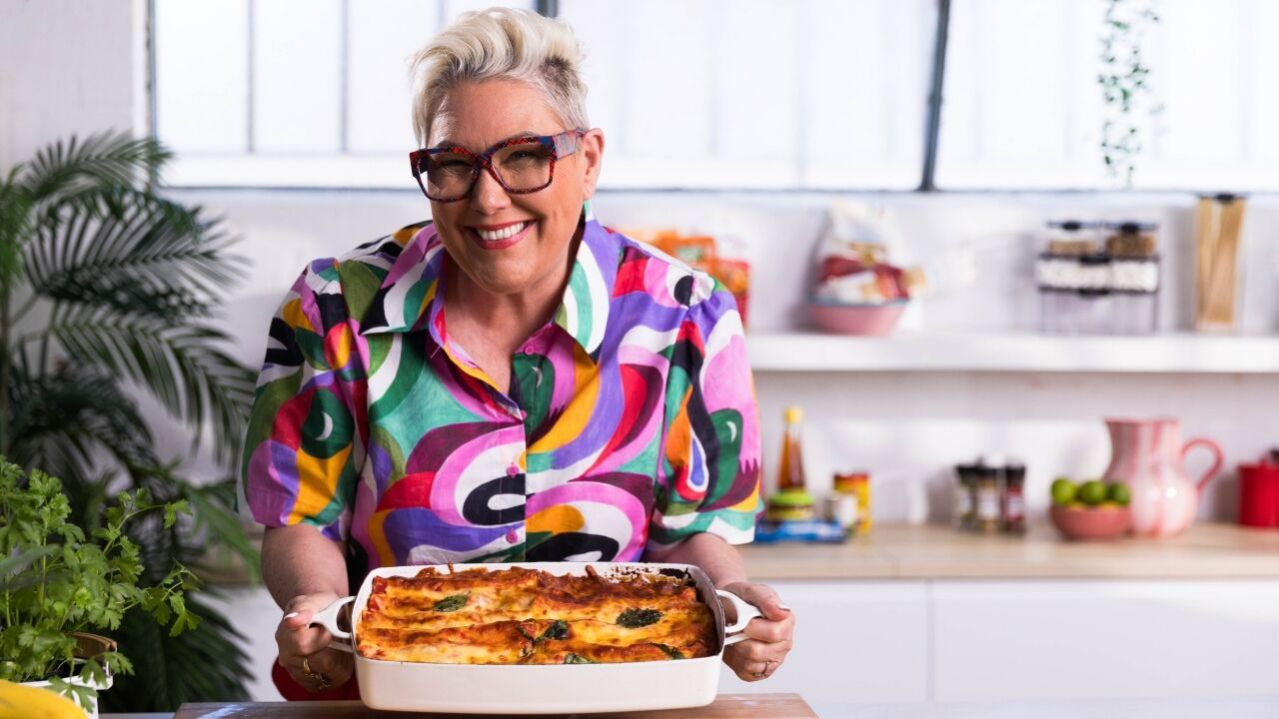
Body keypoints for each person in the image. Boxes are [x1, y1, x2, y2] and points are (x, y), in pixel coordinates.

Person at [241, 7, 794, 699]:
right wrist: (316, 606)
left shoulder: (688, 315)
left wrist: (734, 603)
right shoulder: (333, 307)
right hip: (394, 690)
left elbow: (691, 535)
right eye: (452, 165)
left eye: (524, 156)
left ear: (588, 161)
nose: (487, 199)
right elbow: (301, 518)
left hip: (618, 690)